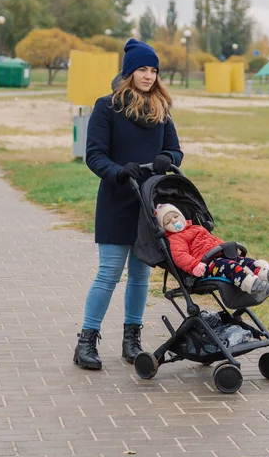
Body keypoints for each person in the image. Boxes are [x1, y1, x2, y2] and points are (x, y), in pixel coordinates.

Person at [74, 39, 183, 370]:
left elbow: (176, 151)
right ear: (129, 72)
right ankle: (86, 342)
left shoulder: (161, 110)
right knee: (109, 273)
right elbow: (94, 155)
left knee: (139, 276)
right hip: (117, 200)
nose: (149, 76)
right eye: (142, 69)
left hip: (149, 203)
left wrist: (167, 158)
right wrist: (119, 172)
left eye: (153, 70)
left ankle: (131, 340)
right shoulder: (106, 107)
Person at [155, 204, 269, 303]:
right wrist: (194, 265)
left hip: (220, 255)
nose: (174, 221)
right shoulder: (175, 239)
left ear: (182, 215)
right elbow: (180, 256)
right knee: (231, 267)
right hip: (206, 265)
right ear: (164, 227)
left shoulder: (197, 228)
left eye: (175, 216)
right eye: (168, 221)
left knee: (246, 262)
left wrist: (227, 248)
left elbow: (215, 241)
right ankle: (257, 288)